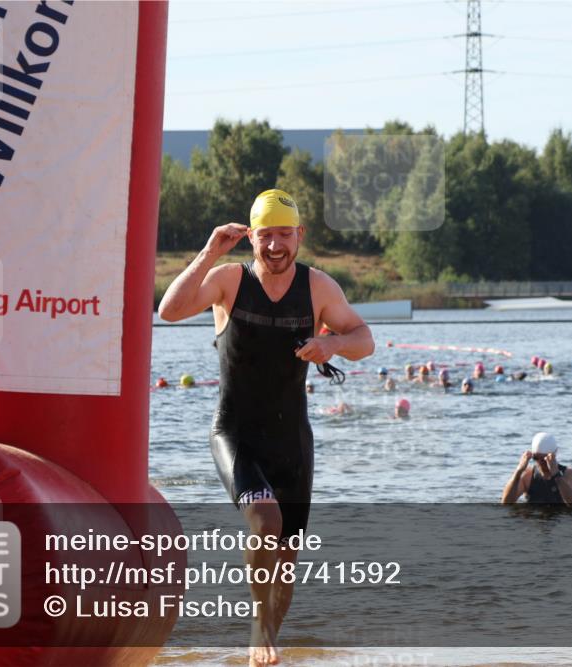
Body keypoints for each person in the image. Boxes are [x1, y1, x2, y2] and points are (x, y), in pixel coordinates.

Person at [158, 188, 375, 667]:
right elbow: (168, 312)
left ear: (299, 235)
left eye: (284, 235)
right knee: (265, 522)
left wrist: (332, 344)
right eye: (265, 236)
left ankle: (267, 650)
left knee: (286, 561)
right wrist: (211, 250)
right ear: (251, 237)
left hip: (292, 441)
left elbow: (365, 339)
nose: (275, 246)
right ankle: (258, 624)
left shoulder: (318, 287)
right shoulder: (229, 280)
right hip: (235, 433)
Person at [500, 432, 572, 506]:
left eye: (545, 458)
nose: (540, 462)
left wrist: (556, 475)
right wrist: (518, 471)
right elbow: (506, 503)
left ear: (554, 454)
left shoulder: (570, 474)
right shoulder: (527, 476)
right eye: (536, 458)